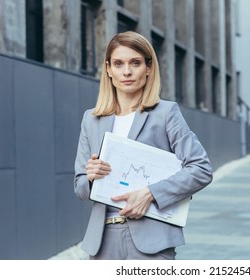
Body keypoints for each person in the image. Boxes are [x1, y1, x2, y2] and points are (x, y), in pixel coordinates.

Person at [74, 31, 213, 260]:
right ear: (108, 69)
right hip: (102, 243)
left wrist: (150, 194)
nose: (126, 71)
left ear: (149, 68)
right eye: (118, 64)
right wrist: (90, 177)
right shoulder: (91, 119)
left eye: (135, 63)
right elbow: (79, 187)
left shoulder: (166, 113)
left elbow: (201, 169)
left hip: (151, 242)